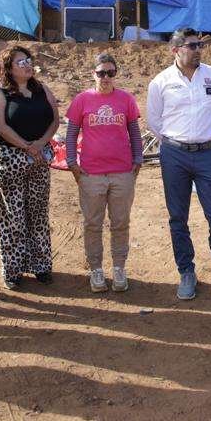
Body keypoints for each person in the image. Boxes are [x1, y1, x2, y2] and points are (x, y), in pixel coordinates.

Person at [147, 28, 211, 301]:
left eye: (200, 45)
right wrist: (178, 142)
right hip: (174, 156)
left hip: (208, 154)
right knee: (178, 217)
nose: (198, 50)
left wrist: (202, 137)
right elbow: (154, 121)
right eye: (192, 45)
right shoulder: (160, 83)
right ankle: (186, 272)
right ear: (176, 50)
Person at [66, 53, 144, 292]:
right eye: (101, 73)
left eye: (111, 73)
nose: (106, 77)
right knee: (92, 224)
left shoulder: (126, 99)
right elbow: (71, 133)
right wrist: (72, 163)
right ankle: (96, 270)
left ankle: (119, 268)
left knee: (121, 223)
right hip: (91, 174)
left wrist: (138, 161)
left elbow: (134, 132)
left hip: (122, 172)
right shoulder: (82, 100)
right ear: (93, 74)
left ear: (115, 75)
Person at [0, 45, 59, 290]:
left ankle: (41, 266)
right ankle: (13, 269)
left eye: (28, 60)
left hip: (39, 159)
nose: (27, 64)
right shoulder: (1, 93)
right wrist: (27, 146)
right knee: (12, 216)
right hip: (10, 160)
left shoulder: (41, 89)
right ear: (8, 67)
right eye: (20, 62)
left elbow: (55, 119)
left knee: (38, 214)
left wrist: (39, 144)